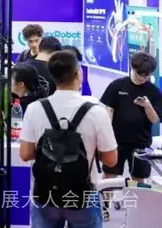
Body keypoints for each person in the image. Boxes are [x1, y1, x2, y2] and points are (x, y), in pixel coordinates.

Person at [19, 50, 117, 228]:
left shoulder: (34, 108)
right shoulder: (96, 111)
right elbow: (111, 160)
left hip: (45, 193)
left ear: (53, 76)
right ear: (79, 75)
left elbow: (25, 154)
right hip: (83, 194)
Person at [101, 52, 162, 183]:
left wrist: (147, 106)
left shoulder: (153, 91)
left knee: (139, 179)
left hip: (141, 143)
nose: (143, 78)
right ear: (132, 68)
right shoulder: (117, 85)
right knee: (109, 176)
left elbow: (155, 120)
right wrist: (106, 135)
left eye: (147, 75)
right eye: (140, 74)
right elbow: (109, 111)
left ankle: (135, 197)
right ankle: (105, 197)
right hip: (116, 141)